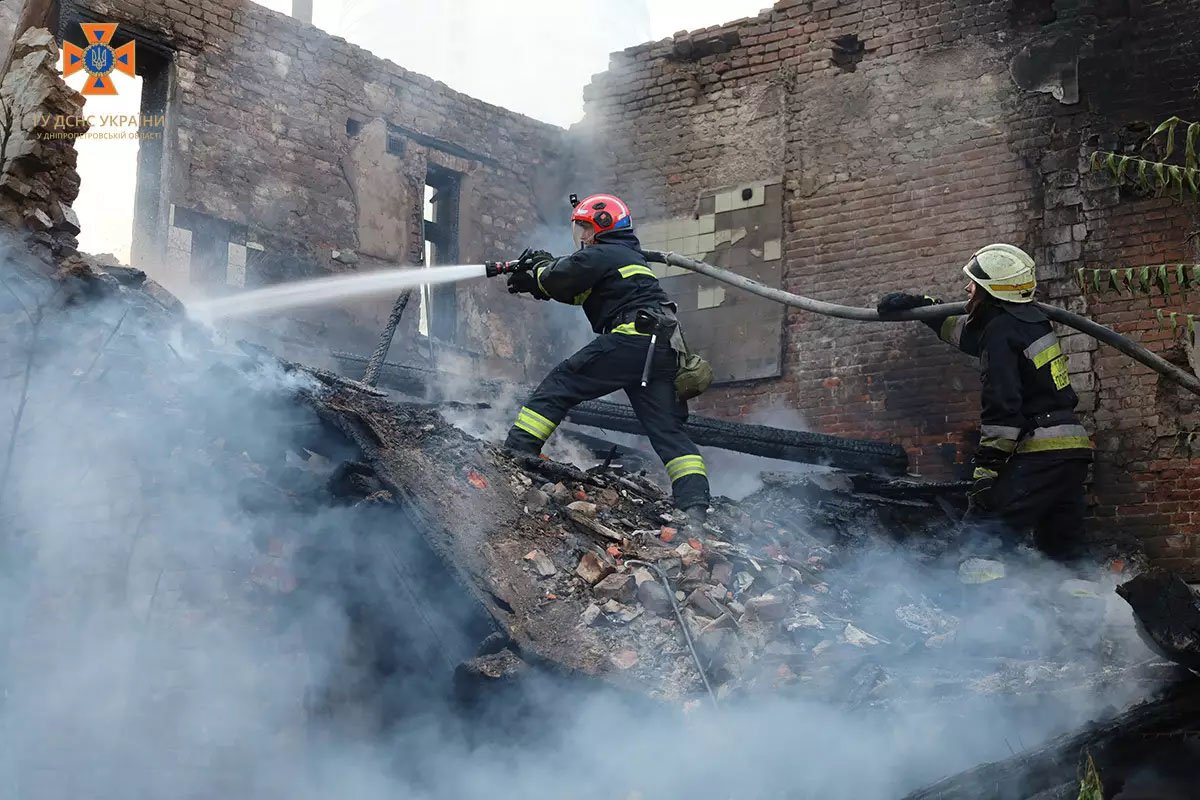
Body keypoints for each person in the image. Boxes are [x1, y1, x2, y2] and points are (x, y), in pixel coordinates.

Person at [502, 193, 711, 528]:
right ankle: (695, 505)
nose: (582, 237)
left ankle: (517, 450)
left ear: (604, 225)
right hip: (661, 350)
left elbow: (561, 277)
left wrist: (540, 270)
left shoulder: (606, 252)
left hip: (632, 340)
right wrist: (538, 282)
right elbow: (576, 290)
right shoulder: (627, 259)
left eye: (585, 228)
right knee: (667, 430)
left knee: (562, 383)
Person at [876, 243, 1093, 561]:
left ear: (992, 290)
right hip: (1071, 451)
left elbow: (1002, 405)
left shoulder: (1001, 330)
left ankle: (973, 590)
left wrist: (987, 468)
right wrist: (922, 308)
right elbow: (967, 336)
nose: (967, 287)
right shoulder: (1028, 321)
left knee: (982, 540)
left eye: (974, 282)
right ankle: (1078, 593)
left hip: (1042, 451)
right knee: (1062, 551)